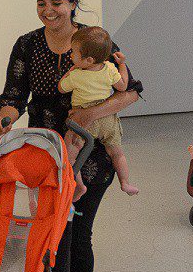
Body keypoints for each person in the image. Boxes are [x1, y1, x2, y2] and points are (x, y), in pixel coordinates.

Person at [0, 0, 142, 272]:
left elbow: (132, 91)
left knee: (79, 230)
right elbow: (13, 94)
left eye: (56, 3)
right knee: (49, 234)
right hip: (45, 151)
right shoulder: (27, 45)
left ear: (73, 3)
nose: (48, 11)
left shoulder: (95, 40)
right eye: (41, 3)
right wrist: (5, 120)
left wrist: (93, 114)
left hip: (89, 148)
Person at [58, 26, 138, 196]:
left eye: (73, 52)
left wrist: (69, 72)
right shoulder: (109, 69)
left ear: (88, 60)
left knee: (70, 153)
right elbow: (123, 86)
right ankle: (125, 183)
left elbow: (61, 88)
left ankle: (79, 186)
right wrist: (121, 64)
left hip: (83, 120)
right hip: (107, 118)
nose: (70, 55)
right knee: (117, 153)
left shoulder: (77, 75)